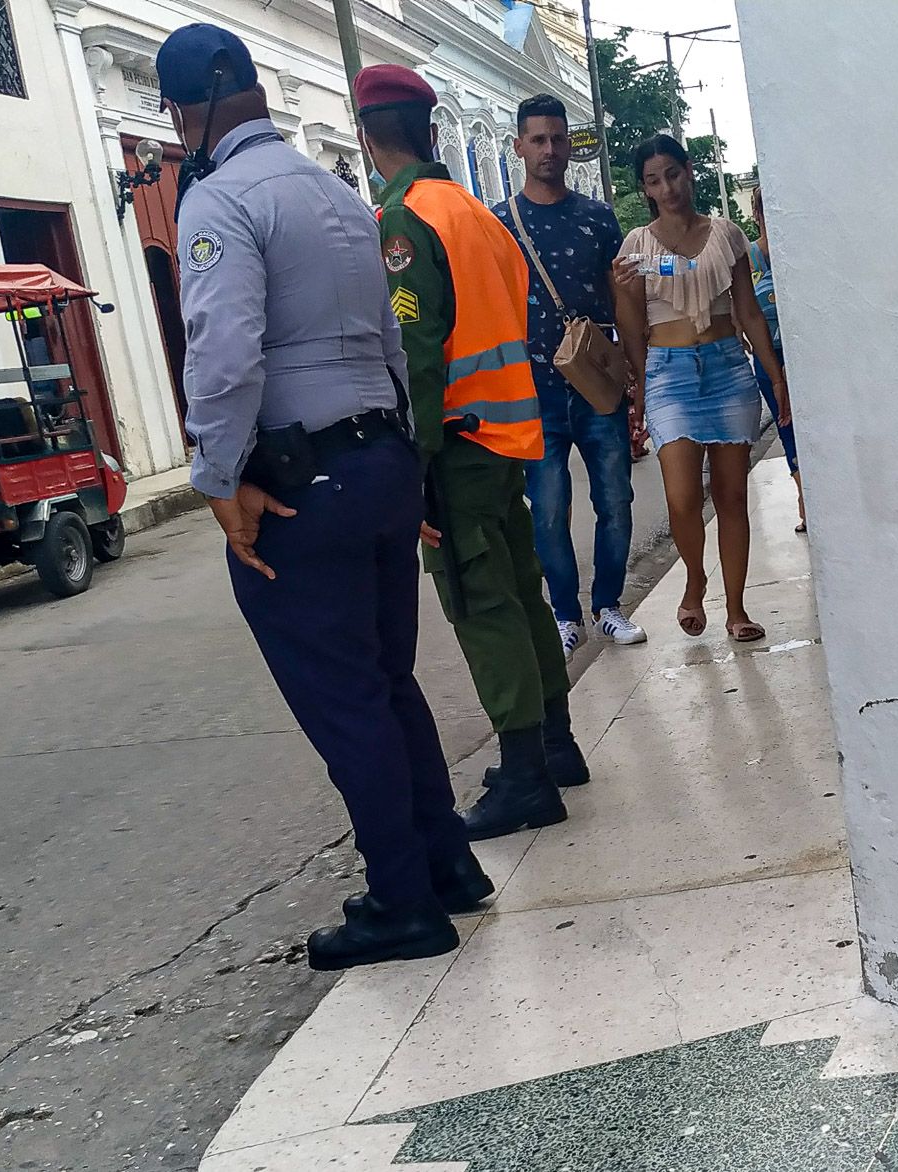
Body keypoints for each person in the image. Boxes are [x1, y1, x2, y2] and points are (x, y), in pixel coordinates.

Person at [162, 24, 489, 972]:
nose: (179, 126)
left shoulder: (221, 200)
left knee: (345, 699)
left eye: (178, 109)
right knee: (388, 682)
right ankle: (446, 867)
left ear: (200, 101)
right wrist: (412, 463)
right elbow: (392, 342)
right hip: (383, 459)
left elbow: (223, 356)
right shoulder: (339, 195)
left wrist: (217, 479)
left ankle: (402, 903)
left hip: (307, 483)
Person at [361, 64, 586, 841]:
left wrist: (414, 466)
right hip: (505, 437)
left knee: (481, 601)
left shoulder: (405, 219)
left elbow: (416, 350)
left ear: (367, 137)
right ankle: (556, 745)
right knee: (522, 590)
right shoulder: (474, 213)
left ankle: (525, 774)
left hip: (453, 445)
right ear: (430, 130)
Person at [613, 135, 790, 643]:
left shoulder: (726, 236)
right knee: (682, 495)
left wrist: (776, 378)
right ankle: (694, 578)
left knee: (733, 495)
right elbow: (630, 323)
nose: (666, 188)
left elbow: (748, 311)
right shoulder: (636, 248)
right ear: (644, 188)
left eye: (672, 173)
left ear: (689, 171)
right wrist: (640, 381)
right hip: (669, 370)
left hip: (727, 366)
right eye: (653, 180)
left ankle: (736, 609)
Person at [491, 94, 646, 661]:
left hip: (597, 386)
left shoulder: (598, 217)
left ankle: (608, 606)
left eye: (558, 138)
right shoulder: (499, 222)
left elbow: (620, 300)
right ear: (519, 147)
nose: (550, 149)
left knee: (616, 499)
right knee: (550, 508)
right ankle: (564, 613)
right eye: (538, 139)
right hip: (534, 392)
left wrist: (637, 378)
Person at [747, 184, 805, 533]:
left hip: (802, 357)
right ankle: (803, 497)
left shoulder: (796, 256)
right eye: (764, 212)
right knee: (786, 427)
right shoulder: (749, 257)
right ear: (757, 215)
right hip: (769, 359)